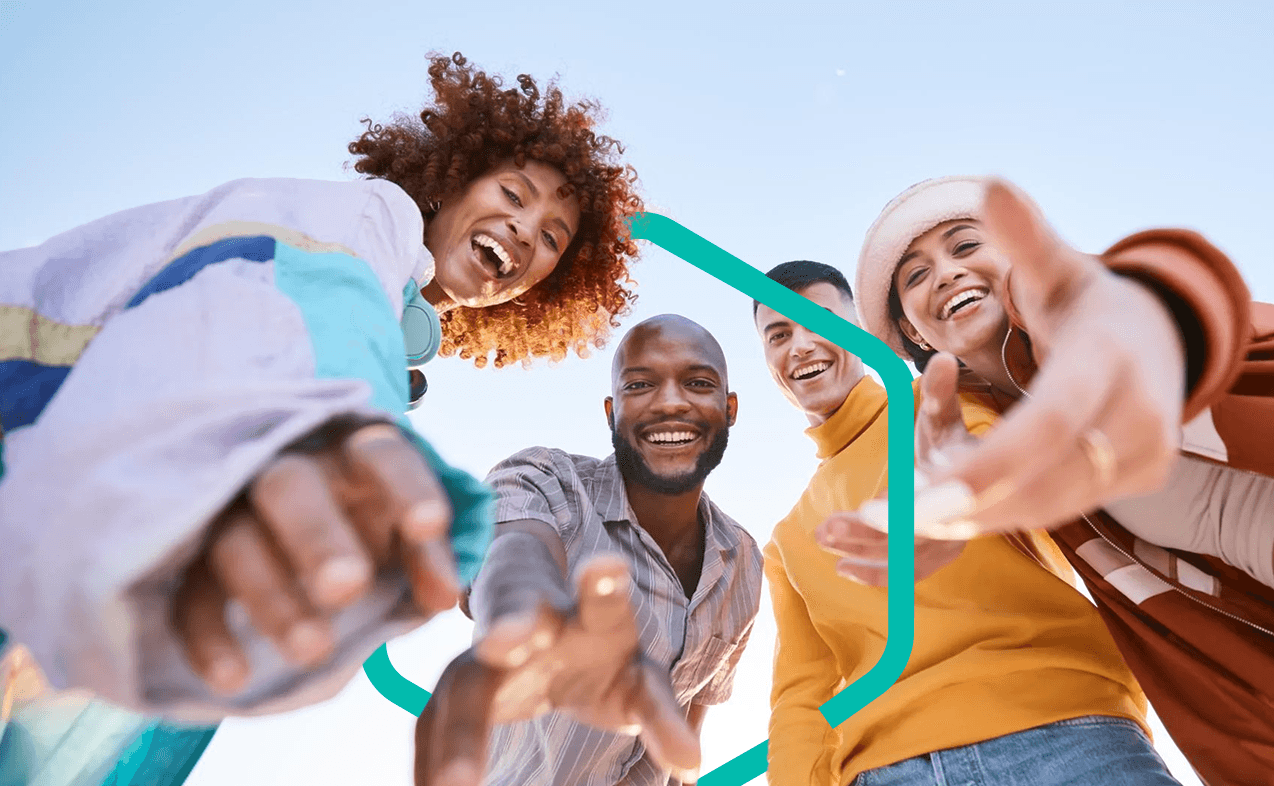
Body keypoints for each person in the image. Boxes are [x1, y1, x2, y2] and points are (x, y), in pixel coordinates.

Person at [0, 51, 644, 786]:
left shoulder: (385, 333)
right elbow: (297, 296)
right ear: (446, 181)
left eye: (553, 238)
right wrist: (329, 432)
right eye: (513, 193)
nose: (527, 231)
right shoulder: (363, 223)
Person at [834, 175, 1274, 785]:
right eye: (915, 276)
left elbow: (1157, 295)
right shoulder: (993, 428)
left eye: (966, 247)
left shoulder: (1076, 308)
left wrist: (1143, 310)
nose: (946, 274)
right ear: (913, 331)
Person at [753, 260, 1179, 786]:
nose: (800, 345)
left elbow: (1027, 465)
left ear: (860, 332)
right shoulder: (787, 540)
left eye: (819, 321)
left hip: (1064, 731)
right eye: (778, 334)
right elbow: (799, 696)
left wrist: (963, 484)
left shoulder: (945, 403)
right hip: (889, 770)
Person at [412, 315, 764, 786]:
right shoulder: (546, 480)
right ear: (611, 412)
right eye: (640, 385)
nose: (671, 402)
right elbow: (514, 550)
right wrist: (527, 615)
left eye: (698, 383)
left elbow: (686, 722)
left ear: (730, 407)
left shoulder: (742, 562)